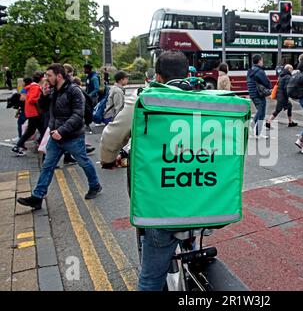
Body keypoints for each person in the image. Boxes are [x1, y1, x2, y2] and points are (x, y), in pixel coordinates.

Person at [99, 51, 197, 291]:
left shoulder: (146, 100)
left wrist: (108, 160)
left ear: (158, 77)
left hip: (158, 201)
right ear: (187, 74)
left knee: (150, 277)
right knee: (191, 231)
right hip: (200, 193)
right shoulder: (204, 99)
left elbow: (111, 140)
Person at [17, 64, 102, 210]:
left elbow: (78, 115)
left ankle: (95, 186)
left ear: (59, 76)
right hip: (55, 138)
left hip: (73, 137)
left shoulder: (74, 91)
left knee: (84, 162)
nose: (46, 78)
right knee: (47, 166)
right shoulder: (52, 91)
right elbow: (42, 109)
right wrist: (43, 96)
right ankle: (37, 197)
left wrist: (61, 131)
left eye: (49, 75)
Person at [12, 72, 46, 156]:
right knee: (35, 130)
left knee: (39, 130)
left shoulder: (33, 86)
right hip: (34, 112)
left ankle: (41, 144)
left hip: (32, 112)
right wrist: (41, 98)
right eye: (45, 77)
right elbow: (31, 99)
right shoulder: (35, 87)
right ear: (41, 78)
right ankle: (18, 146)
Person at [246, 54, 271, 139]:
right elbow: (267, 83)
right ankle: (252, 127)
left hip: (253, 94)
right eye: (262, 60)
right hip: (258, 94)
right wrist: (269, 84)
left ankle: (257, 132)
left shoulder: (251, 70)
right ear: (259, 61)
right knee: (261, 112)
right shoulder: (259, 71)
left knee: (261, 112)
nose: (262, 62)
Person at [265, 64, 297, 129]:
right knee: (278, 110)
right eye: (292, 69)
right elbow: (286, 88)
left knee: (289, 106)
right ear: (289, 69)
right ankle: (268, 122)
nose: (292, 71)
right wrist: (288, 95)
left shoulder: (281, 75)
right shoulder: (287, 76)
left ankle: (290, 122)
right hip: (282, 96)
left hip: (280, 95)